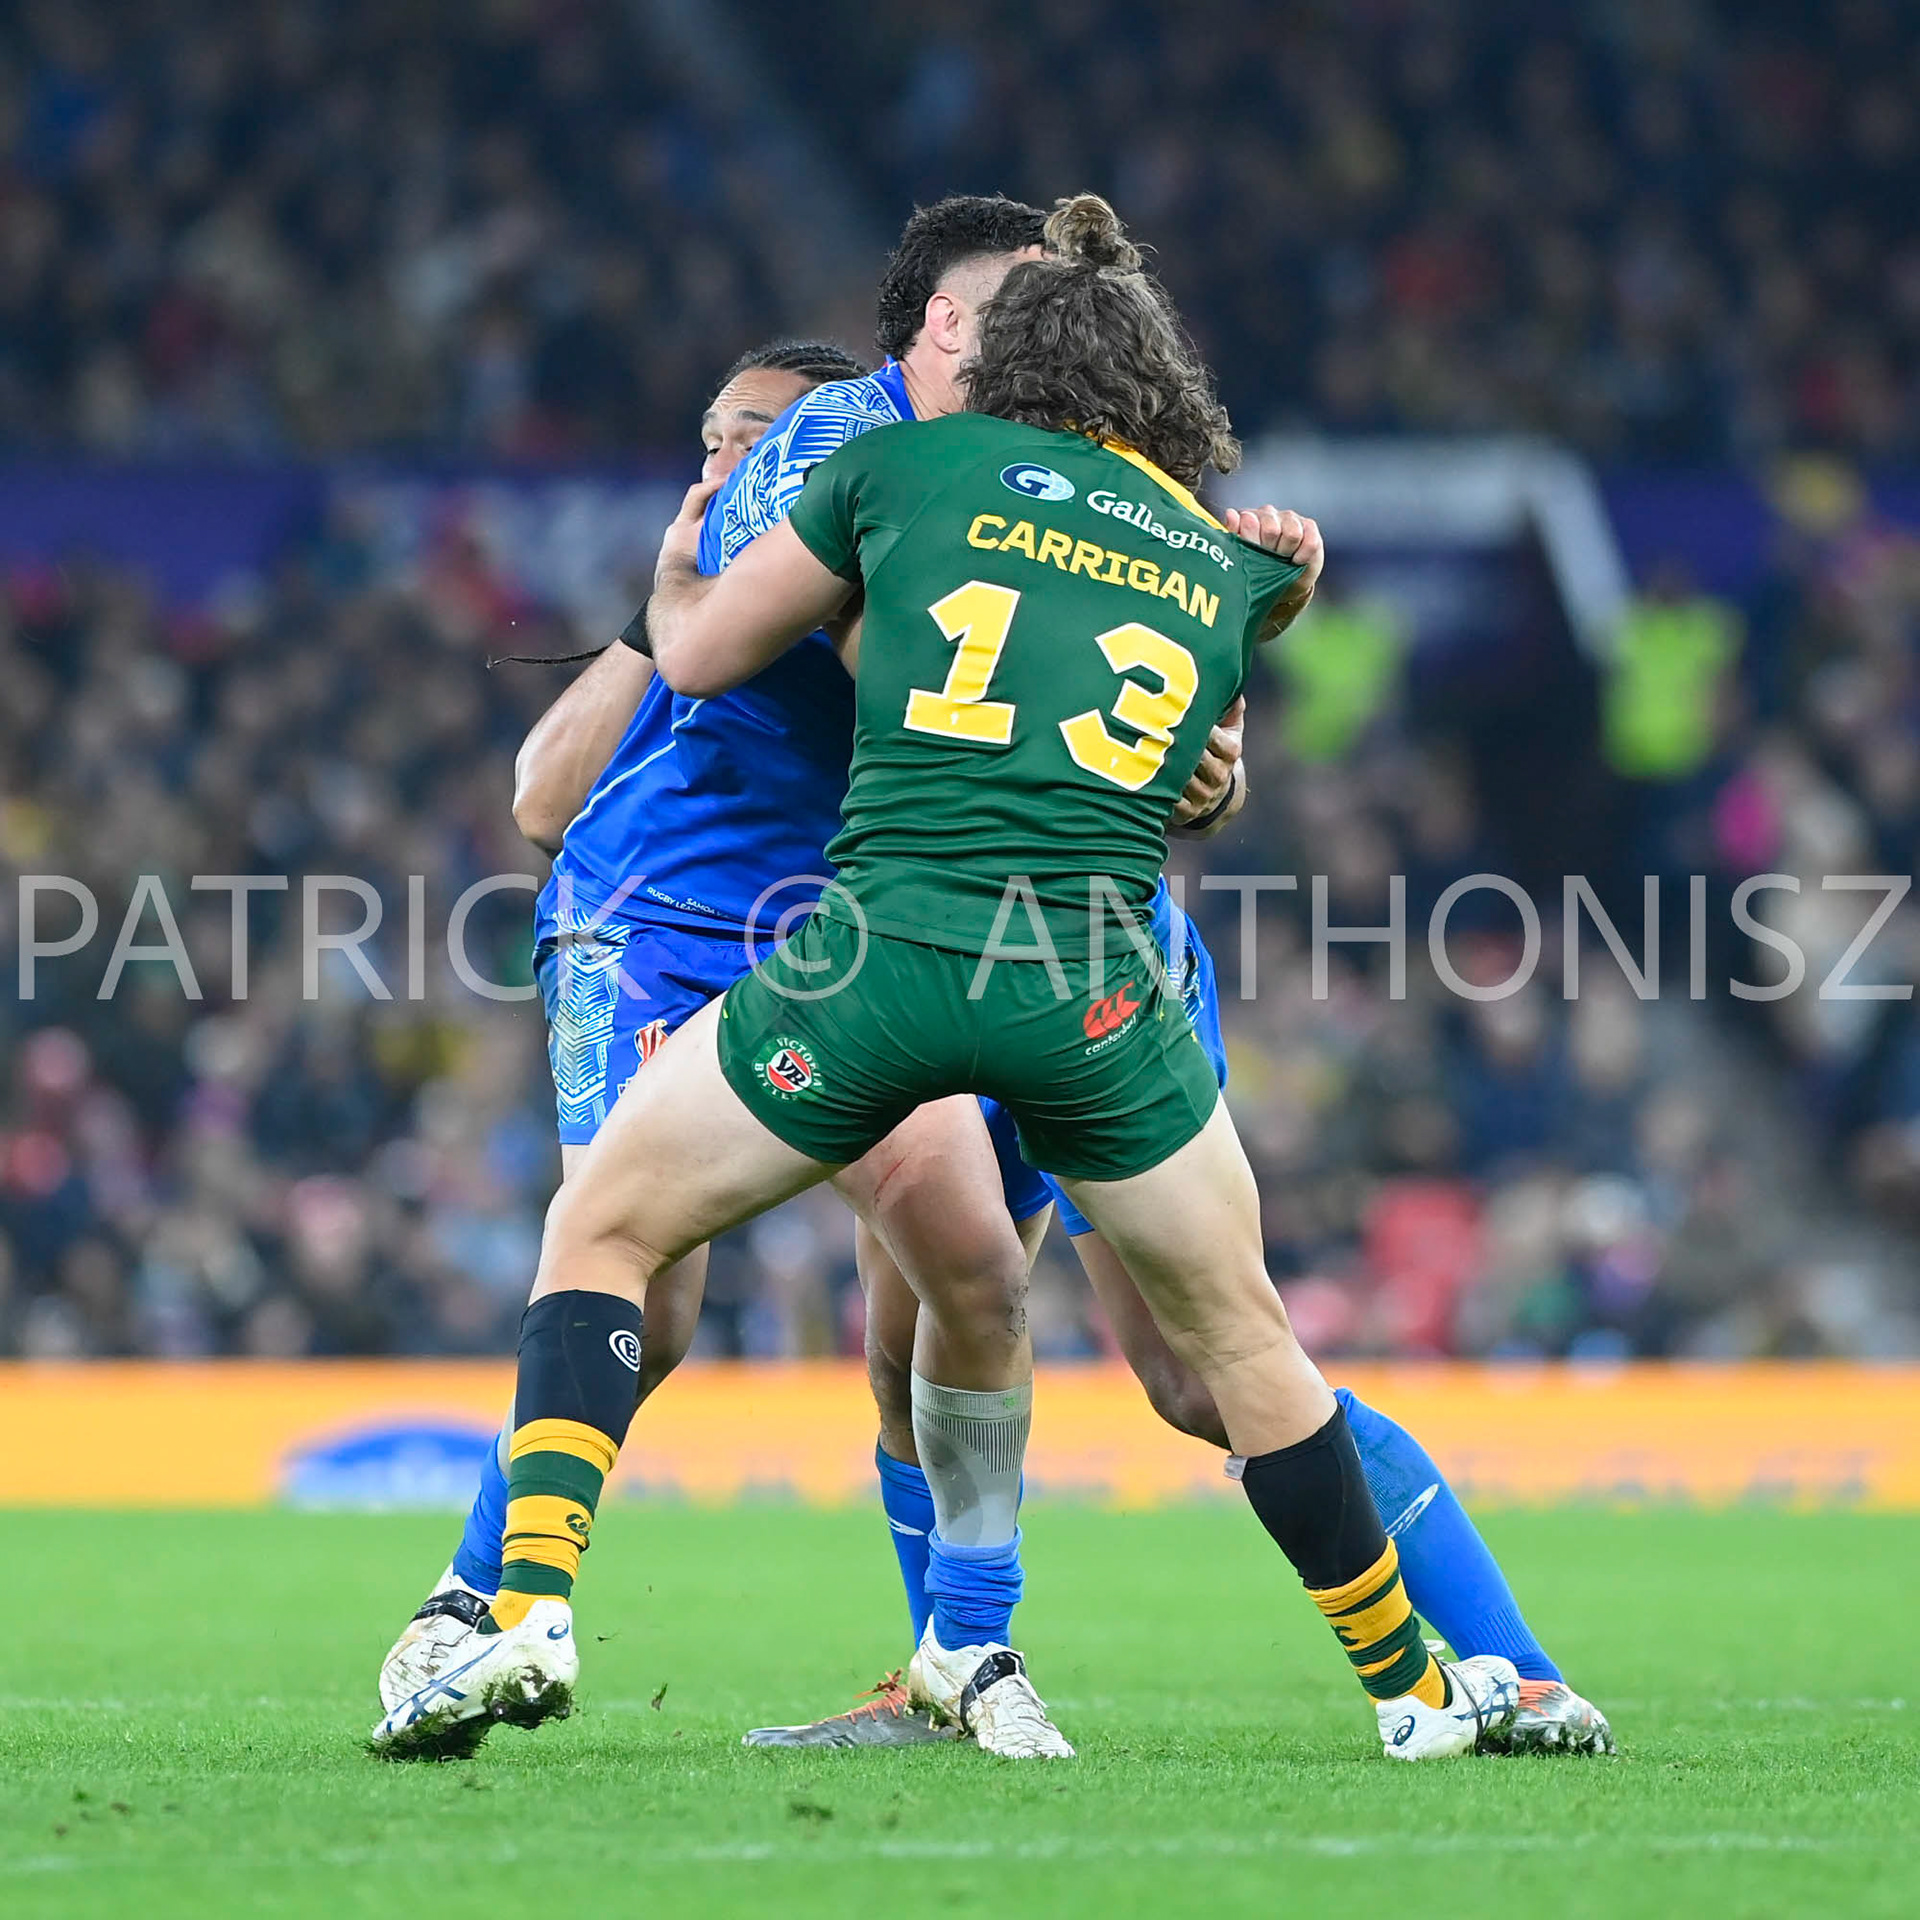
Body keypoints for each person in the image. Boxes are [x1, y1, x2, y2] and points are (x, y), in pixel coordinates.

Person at [383, 199, 1610, 1760]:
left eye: (750, 443)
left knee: (1120, 1340)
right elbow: (1175, 762)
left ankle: (901, 1641)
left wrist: (685, 596)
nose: (737, 465)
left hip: (920, 932)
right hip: (926, 942)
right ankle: (1291, 1681)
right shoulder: (1063, 495)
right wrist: (1245, 636)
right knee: (936, 1302)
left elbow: (1163, 772)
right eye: (719, 441)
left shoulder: (909, 477)